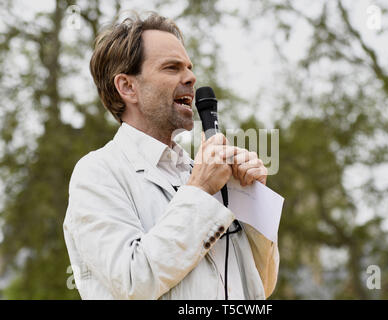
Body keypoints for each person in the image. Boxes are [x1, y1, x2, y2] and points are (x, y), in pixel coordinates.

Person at [63, 12, 279, 300]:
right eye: (171, 68)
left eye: (189, 67)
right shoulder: (98, 173)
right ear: (128, 87)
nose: (190, 77)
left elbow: (260, 286)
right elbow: (134, 280)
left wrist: (251, 201)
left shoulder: (201, 173)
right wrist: (200, 191)